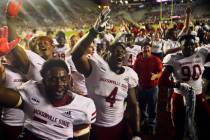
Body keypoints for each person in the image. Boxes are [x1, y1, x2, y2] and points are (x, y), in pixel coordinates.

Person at [71, 7, 141, 140]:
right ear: (108, 52)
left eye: (123, 52)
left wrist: (137, 133)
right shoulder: (95, 66)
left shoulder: (130, 74)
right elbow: (76, 55)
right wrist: (93, 31)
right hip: (96, 127)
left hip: (119, 126)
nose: (121, 54)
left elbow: (133, 104)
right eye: (117, 51)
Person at [0, 59, 96, 140]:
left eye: (63, 79)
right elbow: (2, 94)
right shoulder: (31, 90)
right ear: (44, 81)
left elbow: (81, 136)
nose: (59, 84)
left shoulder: (84, 106)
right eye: (53, 80)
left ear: (69, 79)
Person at [160, 34, 210, 140]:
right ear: (180, 46)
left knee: (205, 123)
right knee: (180, 128)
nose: (189, 47)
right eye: (186, 45)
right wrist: (177, 84)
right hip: (180, 97)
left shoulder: (201, 53)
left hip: (198, 95)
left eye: (192, 44)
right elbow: (162, 81)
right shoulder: (173, 58)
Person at [133, 41, 163, 135]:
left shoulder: (156, 59)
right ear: (142, 50)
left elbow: (161, 72)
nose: (146, 51)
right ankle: (144, 119)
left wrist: (156, 76)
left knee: (152, 107)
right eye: (144, 50)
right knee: (141, 106)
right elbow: (135, 73)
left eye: (148, 50)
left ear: (150, 50)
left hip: (153, 88)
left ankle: (151, 125)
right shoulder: (138, 61)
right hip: (141, 87)